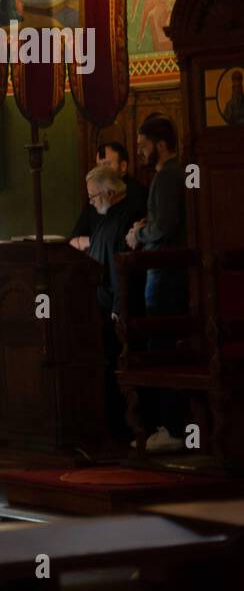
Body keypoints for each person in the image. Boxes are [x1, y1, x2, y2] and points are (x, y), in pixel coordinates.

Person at [125, 113, 187, 453]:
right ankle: (173, 426)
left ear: (161, 146)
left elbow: (164, 226)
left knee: (161, 351)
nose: (139, 152)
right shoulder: (175, 174)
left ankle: (172, 428)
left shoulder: (167, 176)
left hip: (163, 274)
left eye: (143, 145)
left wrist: (139, 234)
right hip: (167, 274)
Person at [83, 166, 143, 443]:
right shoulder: (106, 218)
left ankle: (125, 430)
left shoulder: (126, 217)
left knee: (120, 371)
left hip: (118, 310)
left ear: (108, 192)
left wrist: (119, 308)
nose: (92, 203)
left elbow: (122, 270)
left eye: (94, 197)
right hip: (103, 308)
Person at [69, 141, 148, 251]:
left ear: (123, 166)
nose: (101, 171)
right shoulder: (95, 195)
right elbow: (75, 237)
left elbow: (125, 241)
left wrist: (89, 241)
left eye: (106, 165)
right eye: (98, 166)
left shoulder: (138, 194)